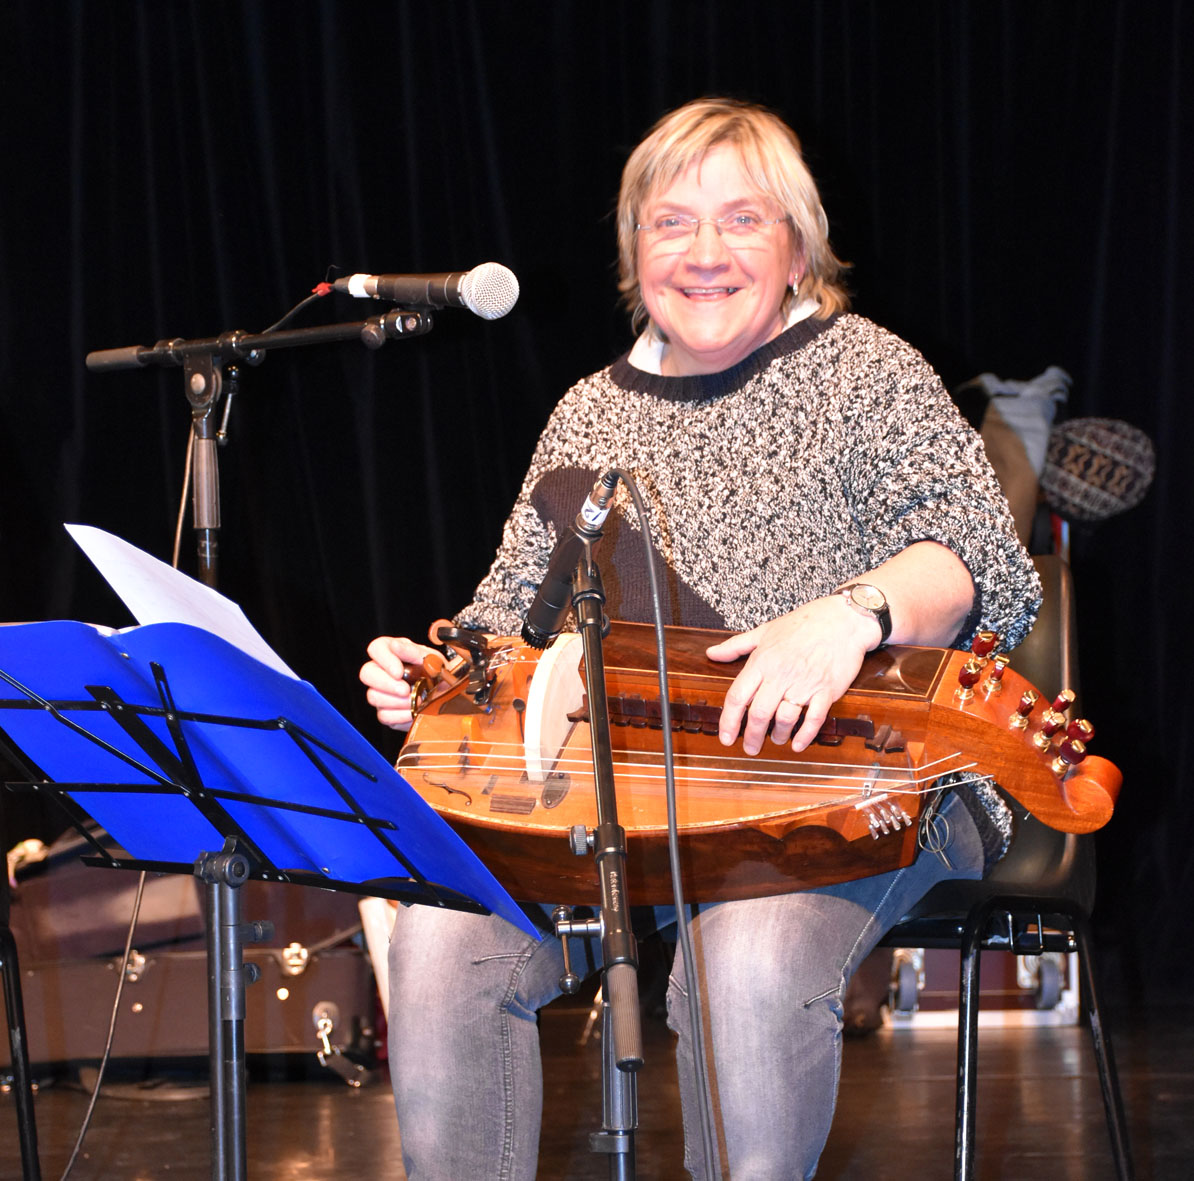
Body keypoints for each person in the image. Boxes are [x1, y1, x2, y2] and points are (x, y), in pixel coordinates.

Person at [360, 97, 1040, 1180]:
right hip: (619, 792)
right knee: (441, 941)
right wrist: (439, 676)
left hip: (863, 783)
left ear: (799, 244)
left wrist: (847, 614)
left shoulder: (867, 370)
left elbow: (972, 561)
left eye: (743, 219)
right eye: (670, 222)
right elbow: (507, 614)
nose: (706, 252)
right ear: (635, 250)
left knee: (751, 954)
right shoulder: (591, 410)